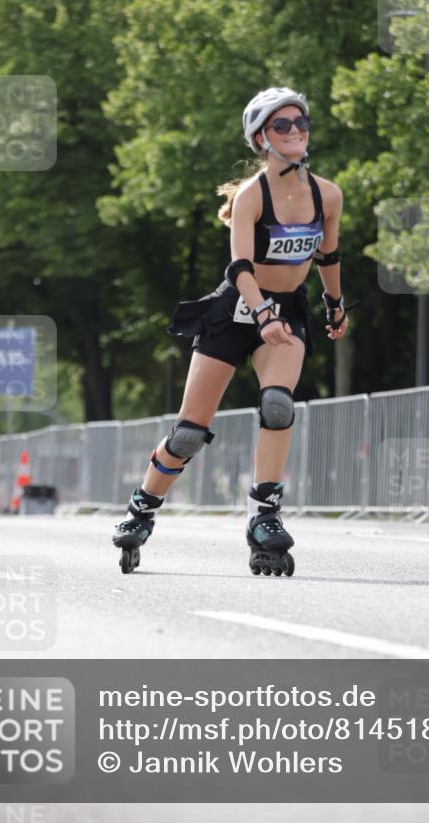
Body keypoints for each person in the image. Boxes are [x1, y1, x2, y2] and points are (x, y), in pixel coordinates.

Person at [112, 86, 353, 576]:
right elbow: (239, 265)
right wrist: (261, 313)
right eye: (282, 125)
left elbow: (328, 255)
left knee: (278, 406)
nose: (295, 131)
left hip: (287, 310)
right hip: (238, 309)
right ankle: (142, 508)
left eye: (301, 123)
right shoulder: (251, 196)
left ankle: (264, 516)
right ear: (261, 138)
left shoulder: (327, 194)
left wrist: (335, 303)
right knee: (189, 433)